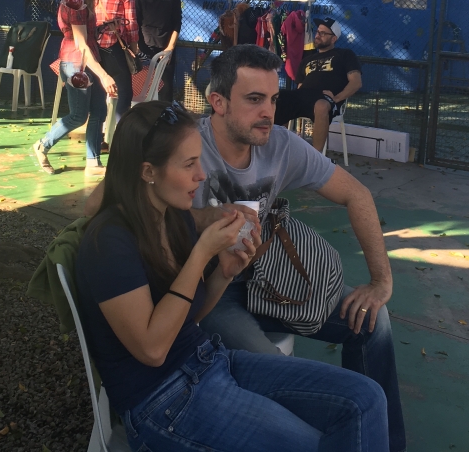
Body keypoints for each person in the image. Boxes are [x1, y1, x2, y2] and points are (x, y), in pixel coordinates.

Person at [85, 45, 406, 452]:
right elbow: (100, 203)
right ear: (217, 102)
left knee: (374, 323)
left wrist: (381, 281)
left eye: (273, 99)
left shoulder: (281, 145)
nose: (269, 112)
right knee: (277, 378)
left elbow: (357, 195)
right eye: (254, 100)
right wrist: (206, 223)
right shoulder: (183, 145)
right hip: (209, 295)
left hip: (265, 275)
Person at [33, 0, 117, 177]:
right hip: (77, 63)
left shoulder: (83, 0)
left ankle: (93, 161)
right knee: (79, 115)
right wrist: (104, 75)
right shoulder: (76, 4)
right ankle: (43, 145)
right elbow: (81, 44)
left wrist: (104, 27)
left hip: (88, 61)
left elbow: (84, 35)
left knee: (99, 110)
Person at [274, 17, 362, 152]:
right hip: (303, 95)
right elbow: (300, 85)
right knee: (276, 98)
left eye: (323, 33)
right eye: (317, 32)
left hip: (325, 97)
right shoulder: (307, 59)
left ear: (334, 39)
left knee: (321, 106)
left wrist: (337, 98)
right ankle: (276, 149)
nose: (317, 35)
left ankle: (316, 158)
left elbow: (356, 82)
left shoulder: (344, 54)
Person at [96, 0, 139, 117]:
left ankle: (98, 133)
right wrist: (133, 47)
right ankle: (119, 130)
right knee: (124, 93)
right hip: (114, 46)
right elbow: (132, 23)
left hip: (92, 48)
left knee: (97, 94)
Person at [135, 0, 181, 101]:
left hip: (165, 49)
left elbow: (177, 22)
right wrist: (136, 48)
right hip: (144, 50)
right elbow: (134, 23)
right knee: (144, 90)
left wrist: (170, 49)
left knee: (164, 91)